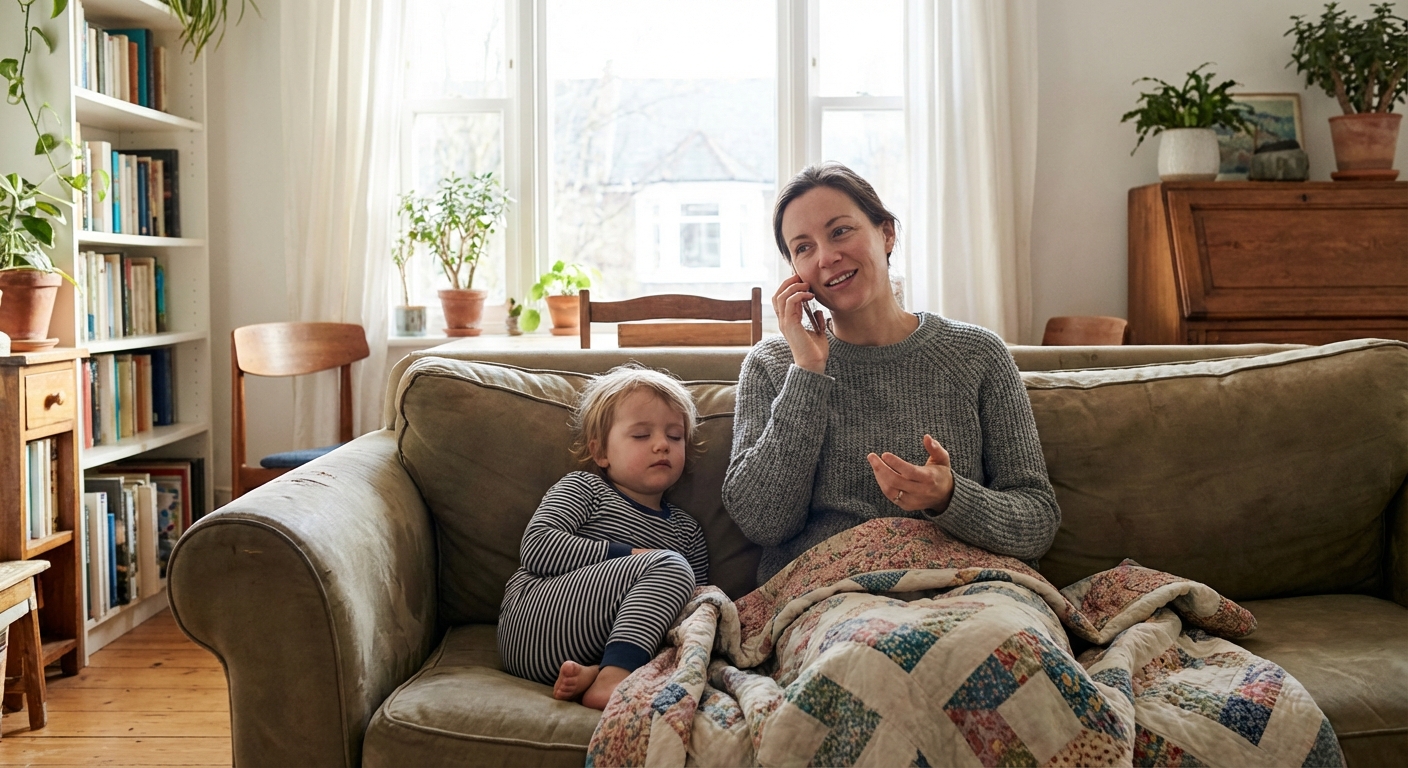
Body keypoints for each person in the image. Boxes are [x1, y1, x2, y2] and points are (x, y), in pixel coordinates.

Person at [723, 162, 1060, 584]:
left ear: (886, 233)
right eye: (804, 248)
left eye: (840, 231)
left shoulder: (977, 354)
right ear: (795, 272)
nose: (827, 257)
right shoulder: (773, 365)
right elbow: (762, 522)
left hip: (967, 589)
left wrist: (950, 496)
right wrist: (807, 372)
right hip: (832, 597)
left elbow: (1038, 520)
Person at [498, 365, 710, 710]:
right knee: (672, 566)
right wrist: (634, 555)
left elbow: (690, 616)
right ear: (601, 453)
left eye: (675, 436)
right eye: (642, 436)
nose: (662, 445)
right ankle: (614, 680)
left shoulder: (687, 530)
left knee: (696, 615)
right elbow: (537, 547)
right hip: (534, 624)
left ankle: (600, 672)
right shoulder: (584, 489)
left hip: (591, 652)